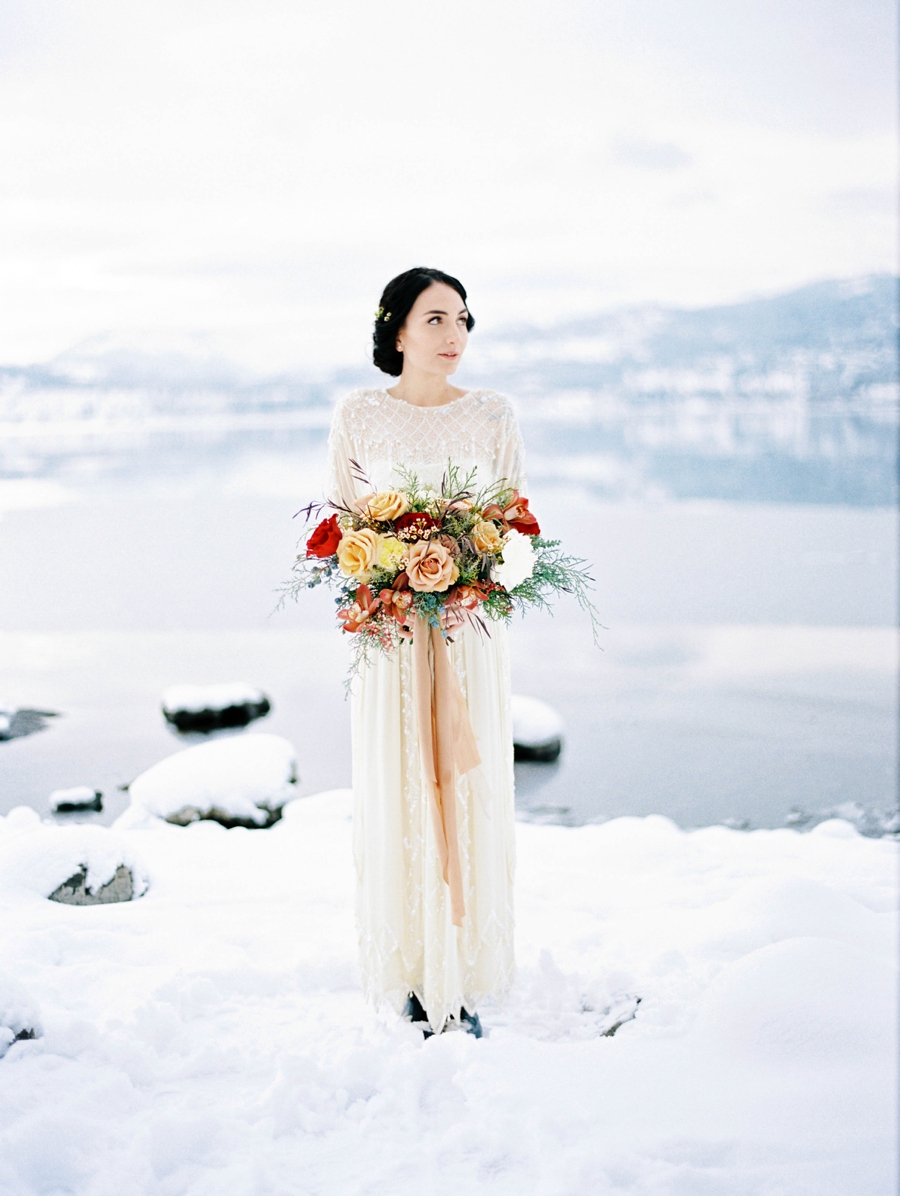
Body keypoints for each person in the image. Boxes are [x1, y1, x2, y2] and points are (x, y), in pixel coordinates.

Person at [326, 267, 527, 1038]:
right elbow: (344, 527)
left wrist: (470, 570)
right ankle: (414, 967)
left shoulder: (494, 415)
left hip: (469, 636)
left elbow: (514, 527)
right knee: (398, 784)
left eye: (465, 320)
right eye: (438, 319)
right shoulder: (358, 416)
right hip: (390, 639)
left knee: (466, 786)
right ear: (398, 330)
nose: (456, 336)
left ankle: (463, 970)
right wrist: (387, 574)